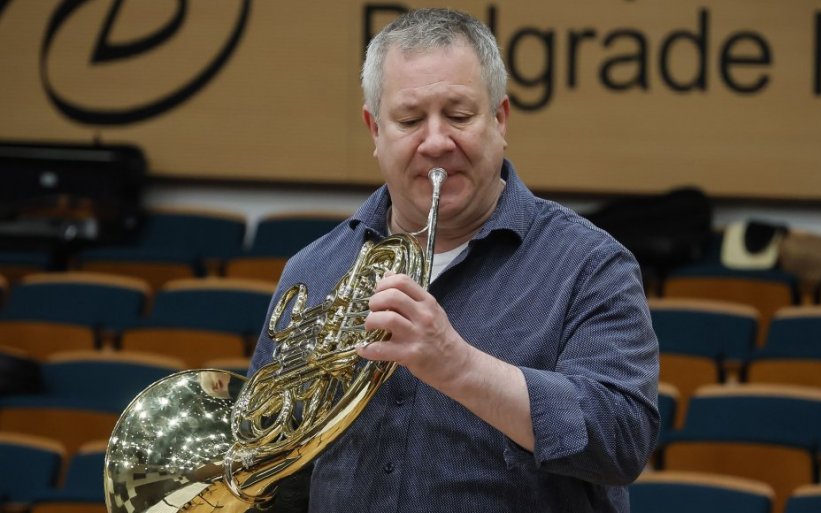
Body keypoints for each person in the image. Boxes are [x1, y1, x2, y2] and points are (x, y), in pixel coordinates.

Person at [249, 8, 659, 513]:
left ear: (500, 120)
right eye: (410, 120)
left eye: (460, 116)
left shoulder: (589, 264)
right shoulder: (313, 271)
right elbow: (273, 463)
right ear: (375, 129)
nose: (438, 142)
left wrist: (456, 365)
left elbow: (621, 440)